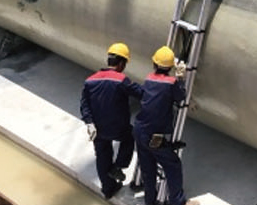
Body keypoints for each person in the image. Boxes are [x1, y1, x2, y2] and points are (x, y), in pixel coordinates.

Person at [133, 46, 198, 205]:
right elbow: (180, 97)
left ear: (154, 64)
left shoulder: (149, 79)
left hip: (139, 130)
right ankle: (178, 201)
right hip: (154, 135)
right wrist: (180, 78)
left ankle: (150, 202)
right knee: (173, 165)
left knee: (148, 170)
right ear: (170, 67)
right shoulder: (171, 82)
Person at [80, 43, 144, 199]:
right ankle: (119, 166)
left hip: (98, 128)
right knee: (129, 137)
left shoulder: (90, 80)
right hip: (118, 127)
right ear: (121, 63)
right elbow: (141, 93)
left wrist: (89, 123)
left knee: (102, 156)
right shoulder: (121, 80)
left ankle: (109, 189)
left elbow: (84, 105)